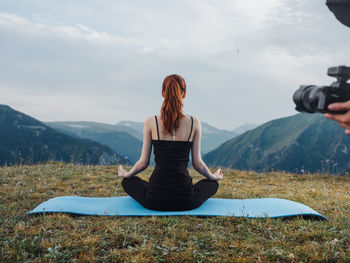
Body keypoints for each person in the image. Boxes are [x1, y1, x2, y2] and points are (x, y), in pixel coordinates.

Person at [118, 74, 223, 211]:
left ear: (163, 93)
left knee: (128, 182)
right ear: (184, 94)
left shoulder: (151, 122)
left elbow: (143, 163)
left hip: (154, 199)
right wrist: (212, 176)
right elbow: (198, 164)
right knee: (212, 184)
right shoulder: (194, 123)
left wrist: (128, 174)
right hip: (186, 200)